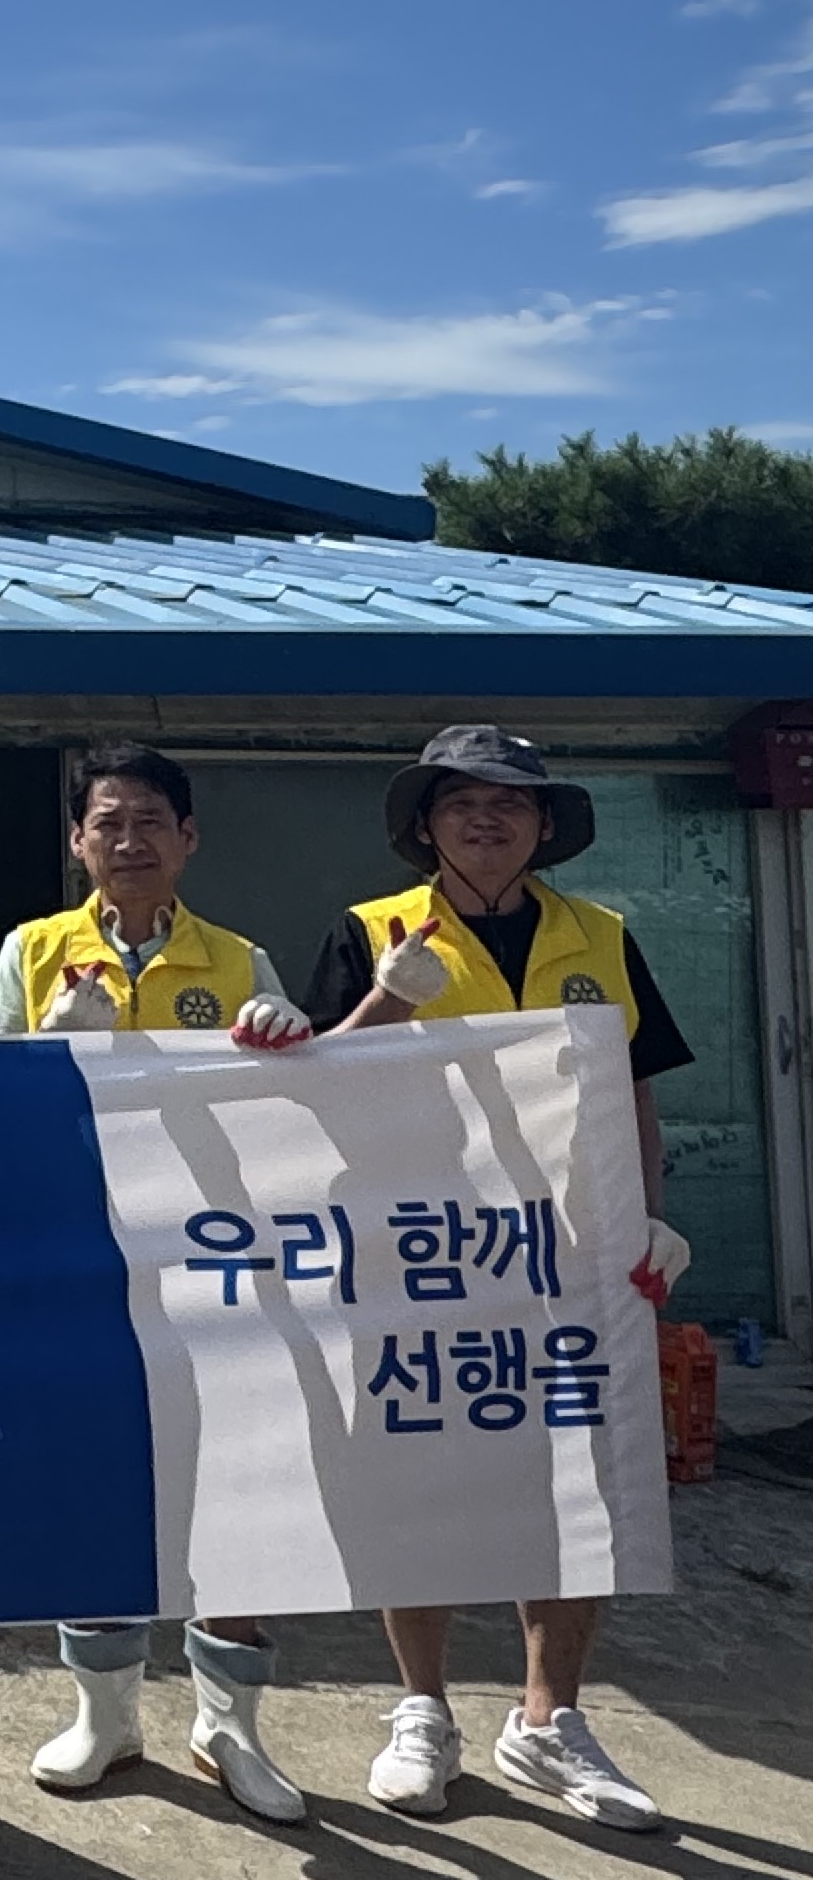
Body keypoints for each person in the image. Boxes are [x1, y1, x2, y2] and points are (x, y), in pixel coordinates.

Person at [306, 725, 691, 1833]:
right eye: (461, 802)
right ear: (424, 823)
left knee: (576, 1477)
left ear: (543, 824)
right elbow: (319, 1090)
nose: (486, 819)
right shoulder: (370, 928)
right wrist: (387, 1000)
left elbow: (634, 1088)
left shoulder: (600, 934)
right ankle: (421, 1708)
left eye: (510, 802)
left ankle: (547, 1718)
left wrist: (649, 1212)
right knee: (418, 1467)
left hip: (571, 1254)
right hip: (420, 1252)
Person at [0, 744, 313, 1824]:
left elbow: (296, 1111)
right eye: (107, 823)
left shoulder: (239, 958)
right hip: (80, 1259)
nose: (129, 841)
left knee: (239, 1487)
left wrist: (290, 1035)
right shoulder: (31, 951)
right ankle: (105, 1716)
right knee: (98, 1483)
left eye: (150, 820)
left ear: (188, 837)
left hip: (218, 1265)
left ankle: (228, 1725)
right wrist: (47, 1052)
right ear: (77, 840)